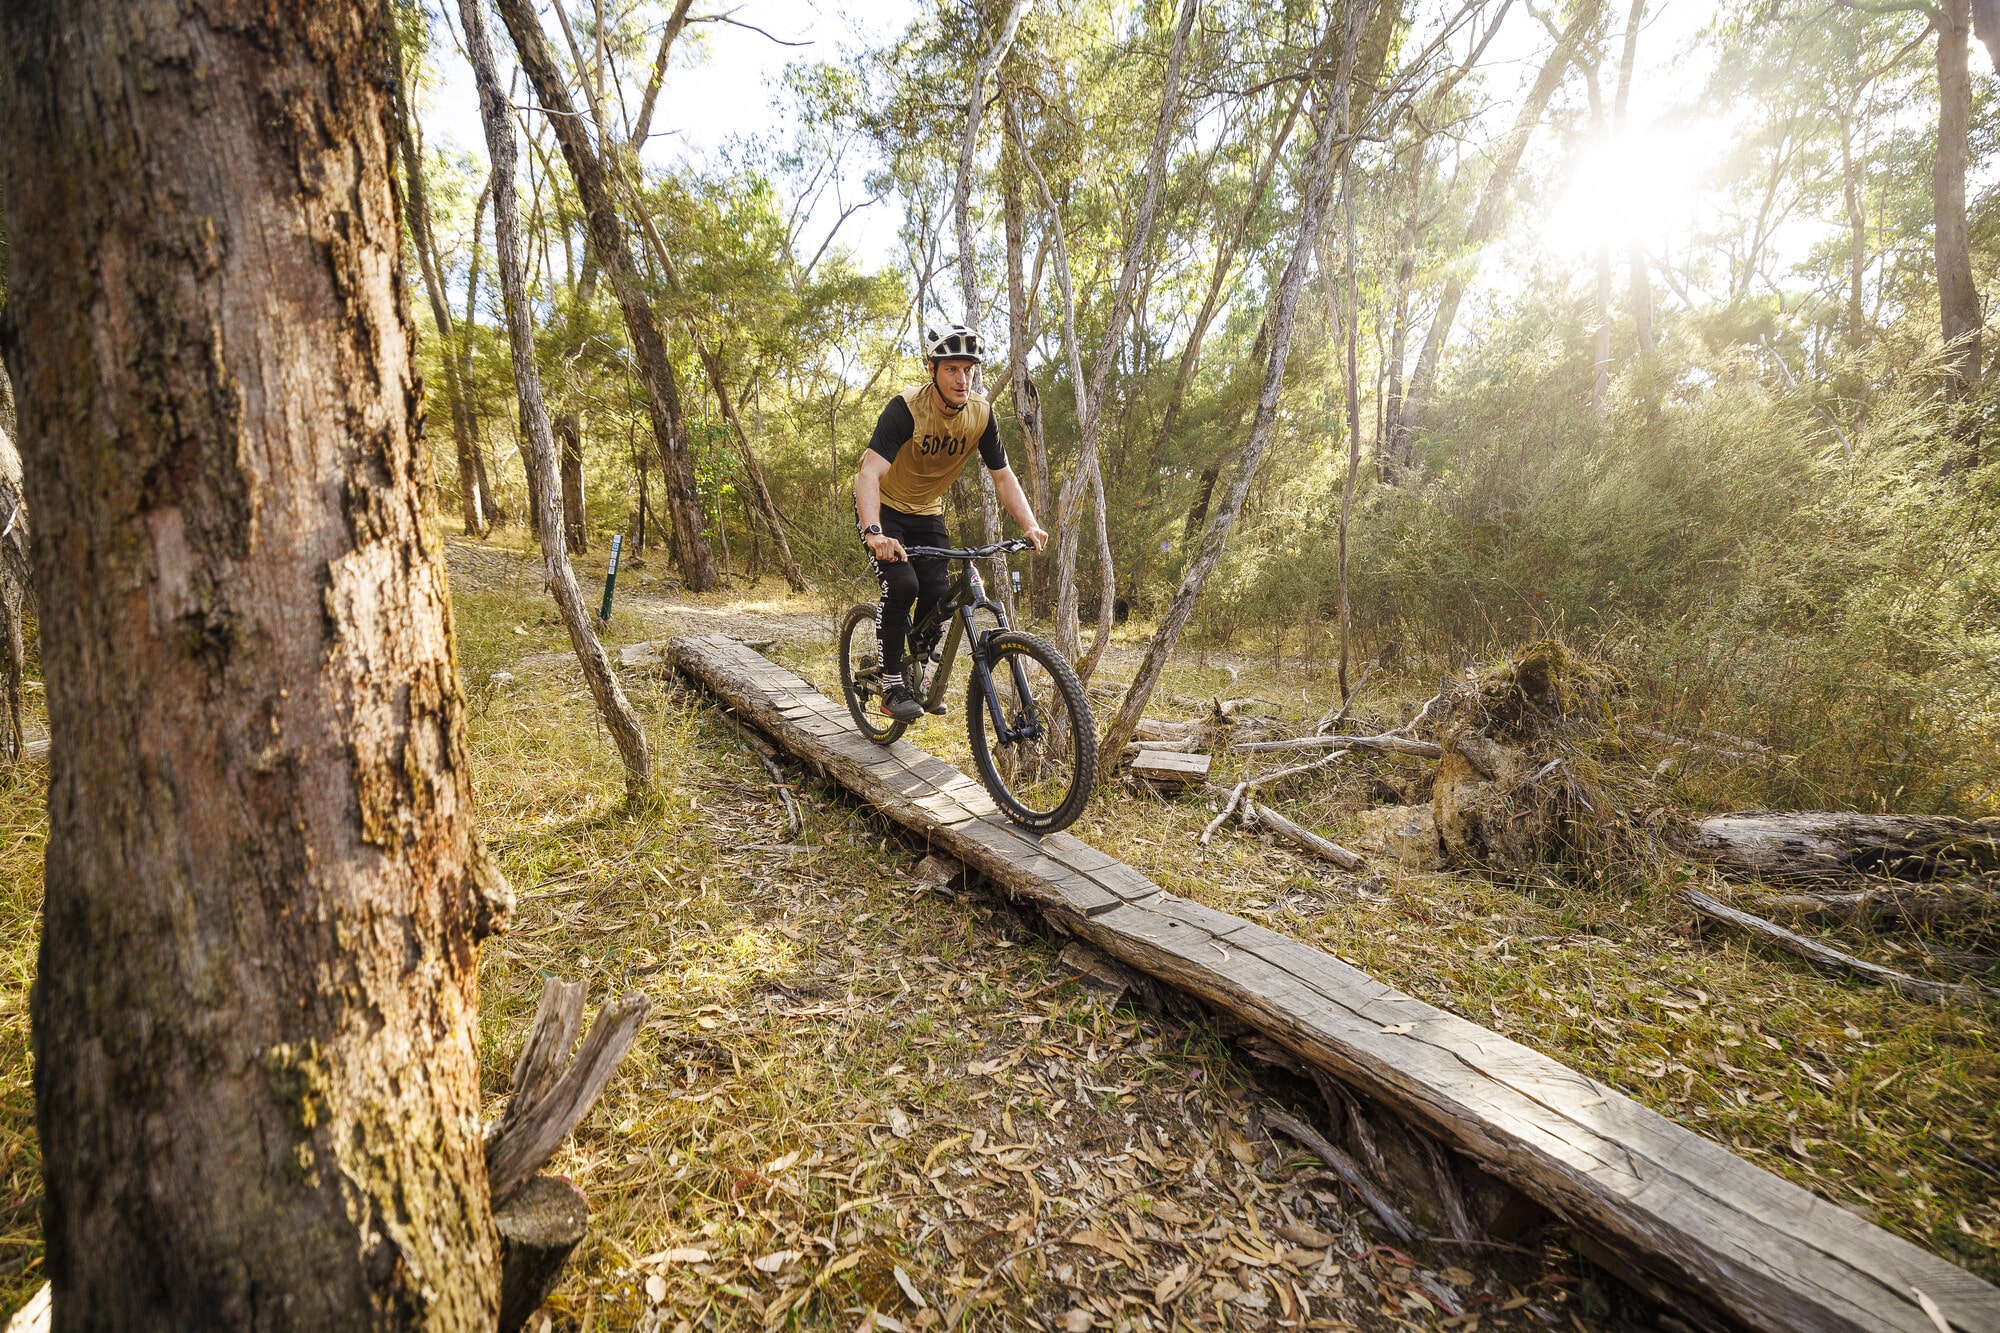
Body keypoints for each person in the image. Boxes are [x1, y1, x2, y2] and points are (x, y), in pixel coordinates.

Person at [855, 323, 1047, 721]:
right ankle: (892, 685)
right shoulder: (905, 410)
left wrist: (1029, 524)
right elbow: (869, 474)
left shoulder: (980, 415)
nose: (963, 379)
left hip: (927, 511)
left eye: (969, 369)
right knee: (903, 583)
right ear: (932, 370)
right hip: (886, 508)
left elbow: (1003, 476)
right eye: (952, 369)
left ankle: (920, 672)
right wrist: (875, 533)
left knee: (940, 595)